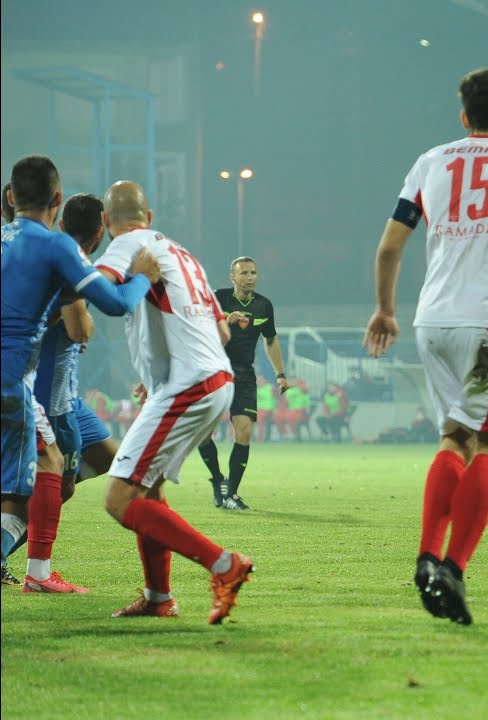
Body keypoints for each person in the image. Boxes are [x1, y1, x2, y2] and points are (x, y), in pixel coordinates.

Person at [362, 67, 488, 626]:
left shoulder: (431, 160)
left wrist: (385, 309)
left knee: (454, 438)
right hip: (487, 321)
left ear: (464, 116)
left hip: (432, 319)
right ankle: (452, 567)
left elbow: (390, 246)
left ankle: (426, 556)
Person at [92, 180, 254, 622]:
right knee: (150, 489)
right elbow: (220, 332)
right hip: (209, 380)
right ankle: (159, 598)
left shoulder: (129, 244)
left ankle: (225, 564)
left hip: (191, 385)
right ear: (152, 215)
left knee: (120, 499)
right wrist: (157, 375)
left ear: (107, 222)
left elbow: (102, 290)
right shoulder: (186, 256)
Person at [2, 157, 158, 594]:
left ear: (12, 197)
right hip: (19, 383)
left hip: (35, 387)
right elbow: (113, 305)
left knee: (41, 480)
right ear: (57, 199)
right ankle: (36, 572)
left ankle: (35, 570)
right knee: (34, 483)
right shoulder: (58, 248)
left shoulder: (5, 239)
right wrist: (142, 278)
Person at [196, 256, 289, 510]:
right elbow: (199, 331)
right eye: (244, 273)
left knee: (244, 430)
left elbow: (270, 340)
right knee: (204, 433)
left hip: (244, 374)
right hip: (214, 372)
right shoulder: (218, 299)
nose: (250, 277)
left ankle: (231, 495)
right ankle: (217, 479)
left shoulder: (263, 306)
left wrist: (280, 374)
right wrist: (226, 321)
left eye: (253, 272)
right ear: (233, 277)